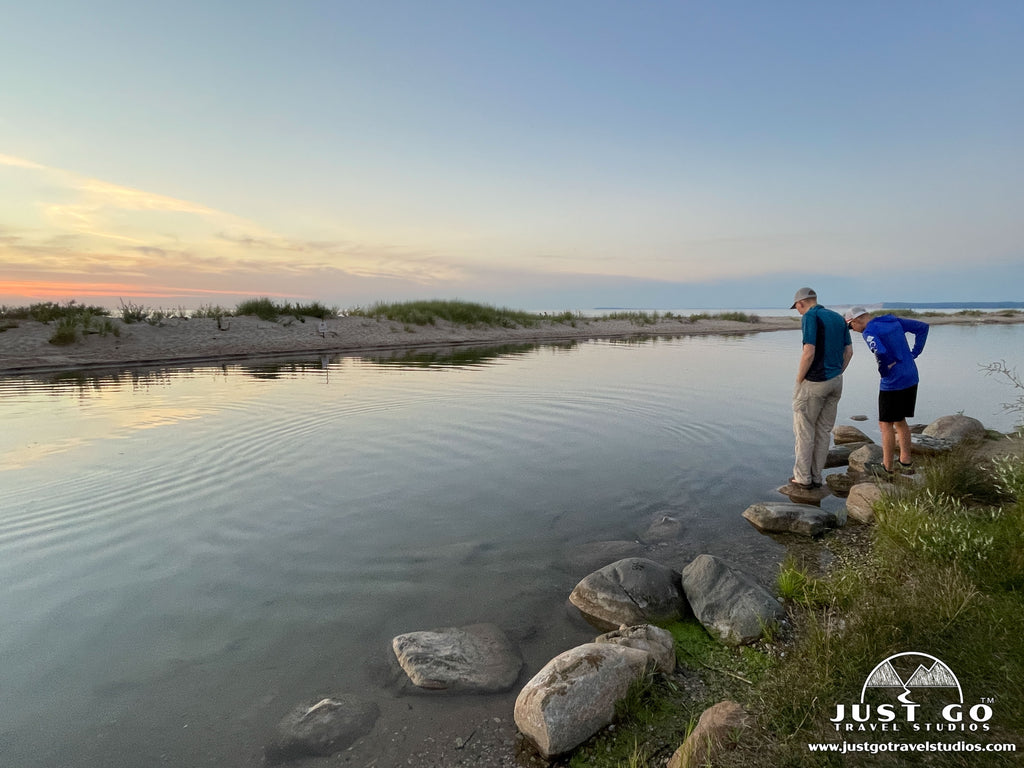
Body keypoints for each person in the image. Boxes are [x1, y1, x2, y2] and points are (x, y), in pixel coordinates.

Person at [844, 307, 929, 475]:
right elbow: (922, 327)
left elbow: (880, 351)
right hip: (911, 375)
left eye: (851, 326)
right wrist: (915, 352)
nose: (852, 330)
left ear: (855, 321)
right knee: (900, 420)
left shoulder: (869, 332)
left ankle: (887, 467)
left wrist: (884, 370)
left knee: (885, 424)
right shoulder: (892, 321)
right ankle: (905, 461)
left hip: (893, 382)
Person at [790, 287, 853, 490]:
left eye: (797, 307)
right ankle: (817, 477)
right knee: (824, 431)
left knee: (804, 431)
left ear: (801, 303)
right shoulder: (837, 318)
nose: (798, 311)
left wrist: (800, 380)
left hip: (815, 382)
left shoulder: (810, 316)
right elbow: (849, 352)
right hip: (835, 381)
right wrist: (837, 372)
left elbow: (809, 351)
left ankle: (802, 478)